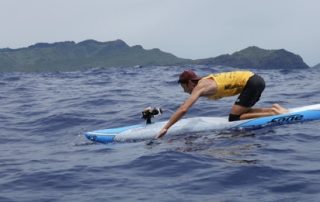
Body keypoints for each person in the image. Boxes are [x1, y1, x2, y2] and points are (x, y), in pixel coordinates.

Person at [156, 70, 288, 139]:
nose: (184, 90)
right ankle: (274, 108)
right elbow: (185, 105)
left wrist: (166, 128)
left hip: (252, 82)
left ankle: (273, 113)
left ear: (190, 83)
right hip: (255, 80)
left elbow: (184, 109)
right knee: (242, 112)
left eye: (183, 86)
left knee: (234, 118)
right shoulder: (204, 84)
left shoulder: (200, 87)